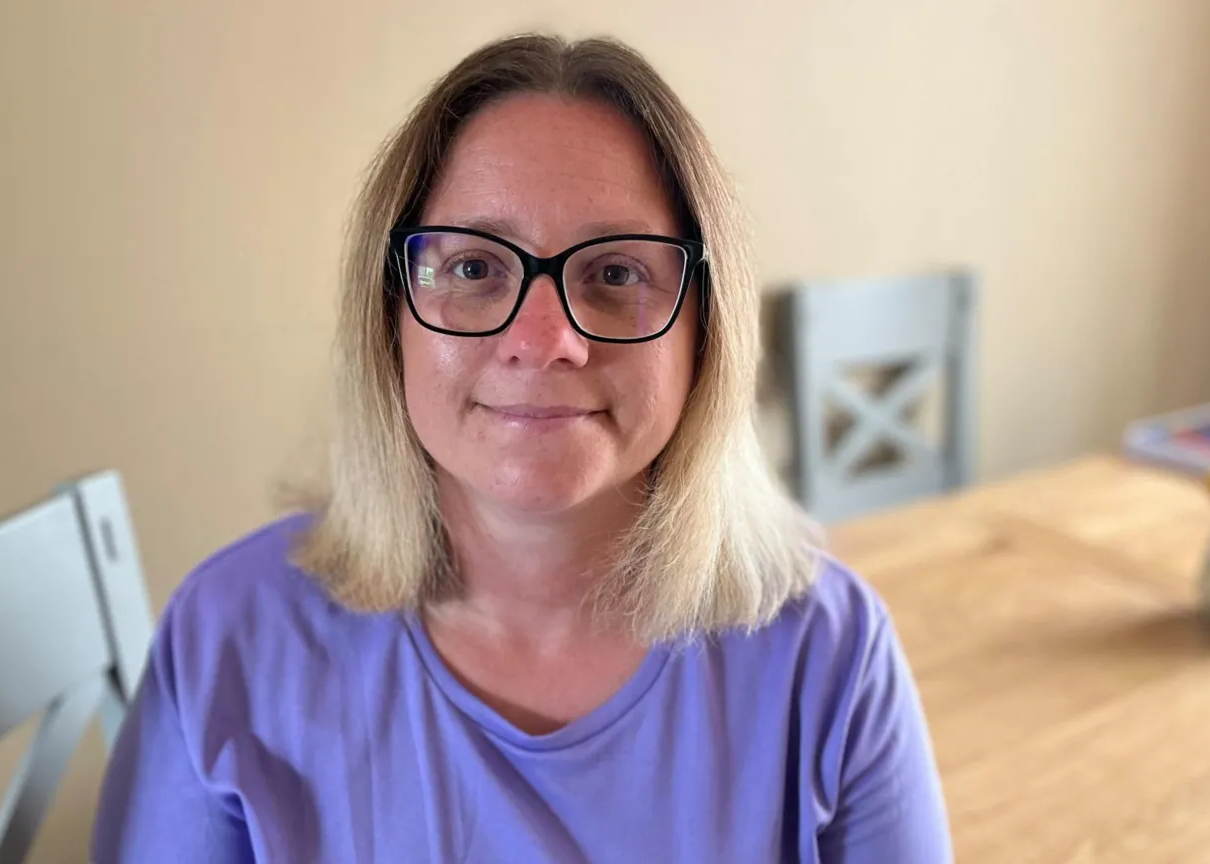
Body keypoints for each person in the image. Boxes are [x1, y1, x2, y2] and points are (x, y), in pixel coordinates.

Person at [92, 33, 951, 863]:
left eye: (615, 273)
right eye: (474, 269)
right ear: (388, 322)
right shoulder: (226, 645)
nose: (542, 342)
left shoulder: (828, 658)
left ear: (706, 330)